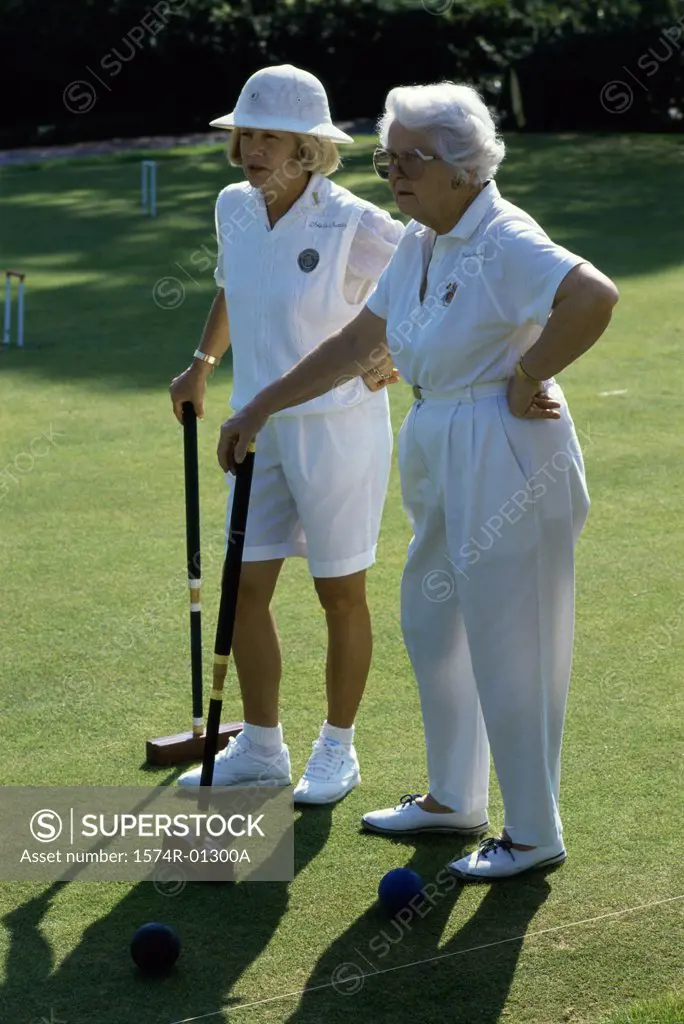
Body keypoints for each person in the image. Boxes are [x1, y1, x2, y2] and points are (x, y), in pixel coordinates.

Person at [214, 81, 619, 879]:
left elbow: (592, 296)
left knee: (514, 641)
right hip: (439, 434)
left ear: (464, 167)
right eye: (386, 157)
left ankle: (533, 832)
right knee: (434, 627)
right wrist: (258, 404)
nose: (393, 173)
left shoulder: (504, 236)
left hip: (506, 448)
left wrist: (530, 370)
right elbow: (360, 339)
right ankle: (454, 800)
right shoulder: (422, 239)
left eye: (412, 159)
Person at [169, 65, 404, 804]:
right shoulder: (232, 206)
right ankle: (263, 748)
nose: (252, 150)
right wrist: (202, 365)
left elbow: (421, 297)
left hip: (338, 436)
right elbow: (235, 285)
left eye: (270, 136)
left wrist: (386, 361)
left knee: (340, 593)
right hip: (256, 429)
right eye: (246, 134)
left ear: (308, 147)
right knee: (243, 594)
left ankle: (339, 750)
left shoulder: (358, 223)